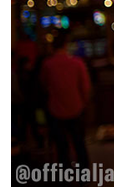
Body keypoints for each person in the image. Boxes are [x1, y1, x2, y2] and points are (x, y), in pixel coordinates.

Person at [39, 31, 91, 170]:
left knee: (62, 147)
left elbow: (44, 85)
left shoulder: (47, 65)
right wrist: (84, 103)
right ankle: (83, 174)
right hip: (76, 107)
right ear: (66, 45)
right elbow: (85, 87)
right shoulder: (77, 63)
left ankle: (66, 174)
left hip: (55, 110)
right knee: (79, 144)